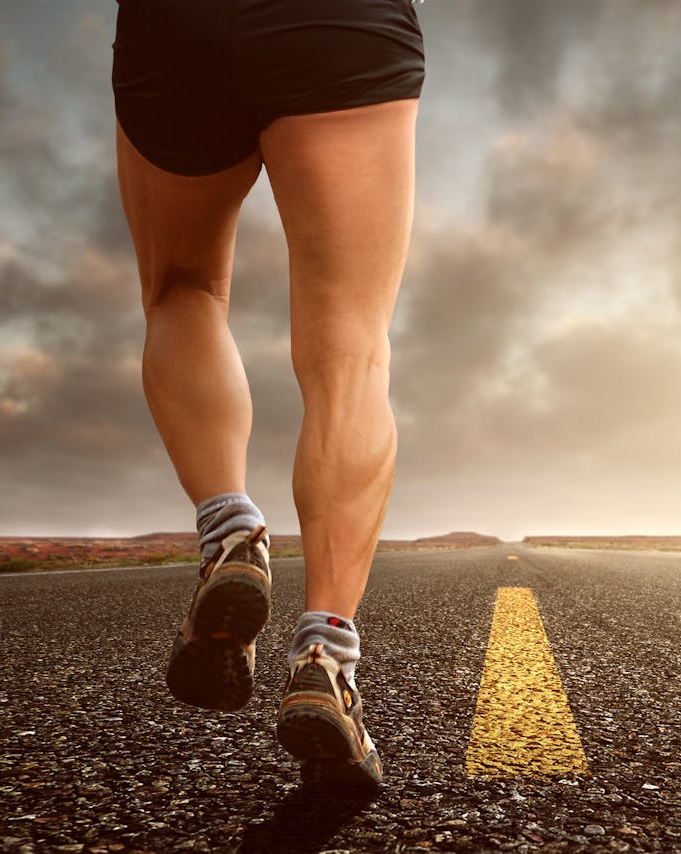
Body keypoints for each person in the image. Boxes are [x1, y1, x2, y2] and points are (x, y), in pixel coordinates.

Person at [110, 0, 425, 790]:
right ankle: (325, 655)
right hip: (342, 25)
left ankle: (230, 527)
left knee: (182, 289)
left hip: (172, 25)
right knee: (352, 353)